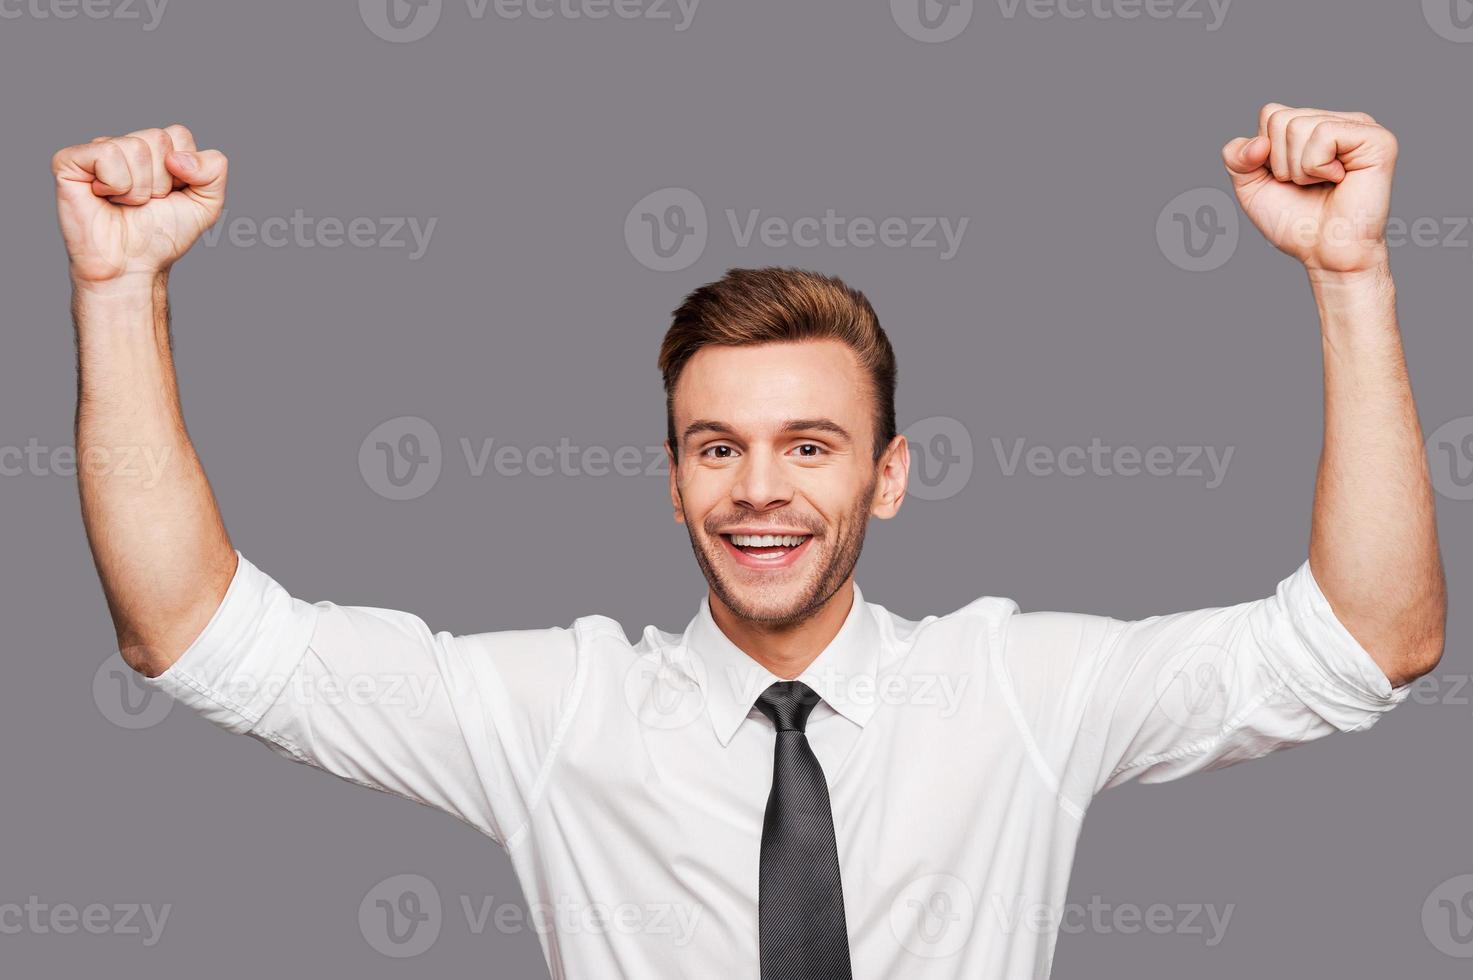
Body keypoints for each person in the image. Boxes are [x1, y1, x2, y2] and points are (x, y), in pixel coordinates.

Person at [53, 104, 1446, 979]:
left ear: (889, 477)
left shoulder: (1021, 693)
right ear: (671, 482)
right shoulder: (559, 713)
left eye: (810, 446)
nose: (758, 490)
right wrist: (119, 290)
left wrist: (1348, 275)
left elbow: (1370, 638)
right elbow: (192, 631)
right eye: (716, 448)